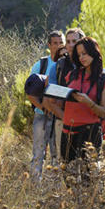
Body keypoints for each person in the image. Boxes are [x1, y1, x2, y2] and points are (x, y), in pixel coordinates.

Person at [61, 36, 105, 163]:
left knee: (88, 177)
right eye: (79, 55)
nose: (81, 58)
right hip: (67, 131)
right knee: (68, 176)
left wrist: (88, 102)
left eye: (84, 53)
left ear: (94, 53)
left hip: (90, 133)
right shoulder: (71, 76)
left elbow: (103, 112)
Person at [26, 29, 65, 180]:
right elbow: (30, 92)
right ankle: (35, 185)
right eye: (55, 43)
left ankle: (54, 187)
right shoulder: (40, 65)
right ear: (49, 45)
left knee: (57, 154)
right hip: (42, 116)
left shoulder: (68, 64)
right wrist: (43, 108)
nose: (59, 45)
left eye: (61, 42)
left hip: (59, 117)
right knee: (38, 152)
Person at [54, 27, 85, 155]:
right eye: (68, 41)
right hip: (63, 118)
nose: (71, 45)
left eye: (75, 41)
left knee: (87, 161)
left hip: (85, 120)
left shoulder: (89, 63)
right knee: (64, 161)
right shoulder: (60, 64)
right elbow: (53, 93)